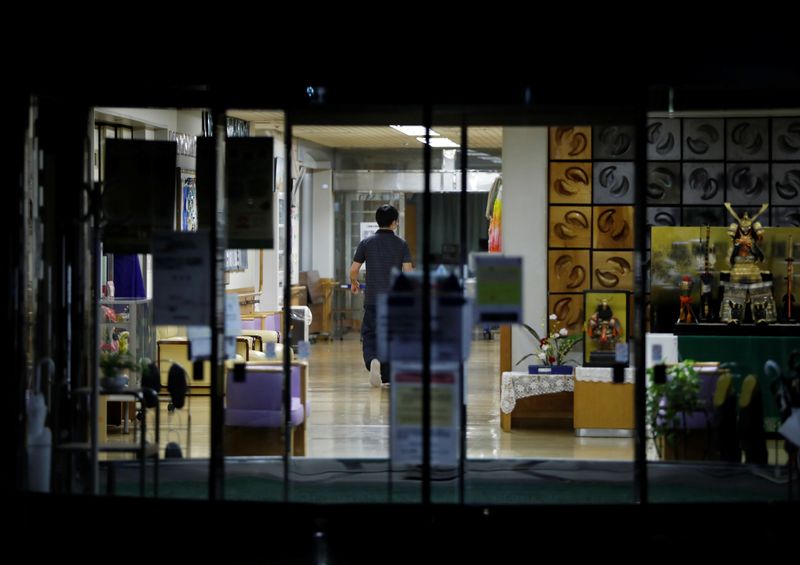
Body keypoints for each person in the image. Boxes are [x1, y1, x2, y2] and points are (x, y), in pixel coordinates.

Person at [349, 205, 413, 387]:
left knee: (370, 334)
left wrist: (355, 283)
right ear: (394, 223)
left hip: (373, 300)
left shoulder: (366, 243)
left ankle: (372, 361)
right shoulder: (401, 244)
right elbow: (408, 272)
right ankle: (387, 376)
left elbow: (354, 270)